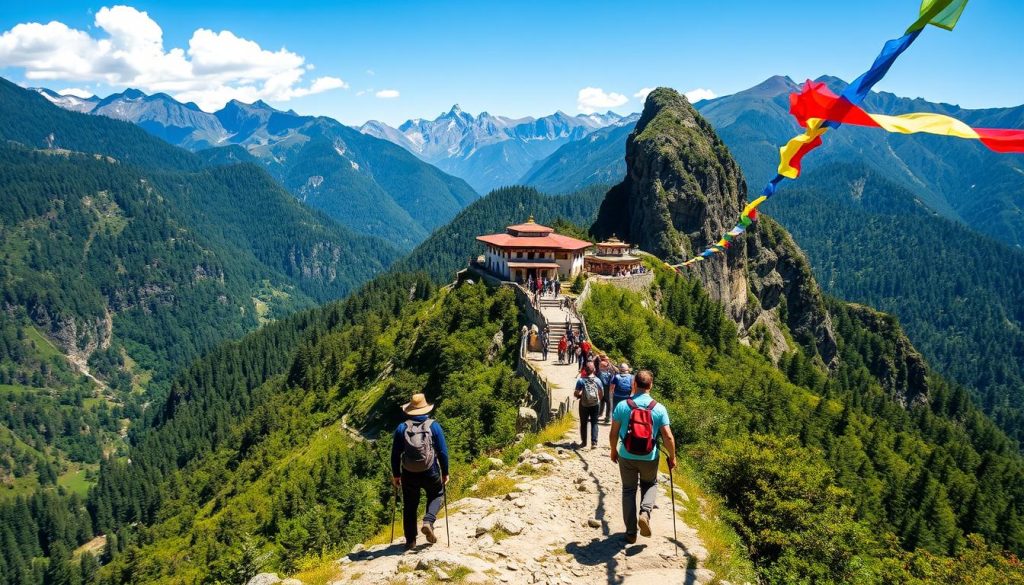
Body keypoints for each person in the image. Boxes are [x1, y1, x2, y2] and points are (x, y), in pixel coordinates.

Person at [609, 370, 675, 544]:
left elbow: (613, 432)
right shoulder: (659, 408)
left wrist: (613, 450)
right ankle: (645, 513)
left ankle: (631, 533)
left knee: (628, 490)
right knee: (650, 484)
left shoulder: (623, 406)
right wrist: (672, 457)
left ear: (634, 384)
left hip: (626, 455)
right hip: (649, 456)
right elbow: (667, 436)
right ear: (651, 385)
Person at [391, 393, 449, 551]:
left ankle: (410, 541)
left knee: (410, 505)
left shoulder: (402, 428)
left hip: (408, 473)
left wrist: (396, 475)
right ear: (425, 409)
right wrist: (445, 472)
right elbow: (442, 452)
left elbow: (395, 454)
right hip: (430, 470)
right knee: (437, 494)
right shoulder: (433, 426)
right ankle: (428, 521)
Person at [574, 363, 604, 449]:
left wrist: (579, 396)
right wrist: (598, 400)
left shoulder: (581, 380)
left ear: (585, 371)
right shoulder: (598, 380)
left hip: (584, 404)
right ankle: (594, 442)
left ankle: (584, 442)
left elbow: (576, 393)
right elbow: (601, 393)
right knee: (594, 422)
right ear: (594, 370)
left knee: (583, 423)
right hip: (595, 404)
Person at [597, 355, 616, 422]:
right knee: (605, 402)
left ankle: (606, 416)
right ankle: (603, 415)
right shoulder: (606, 372)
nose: (599, 367)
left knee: (607, 402)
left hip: (606, 389)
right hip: (606, 389)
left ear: (603, 367)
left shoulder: (601, 373)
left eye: (600, 366)